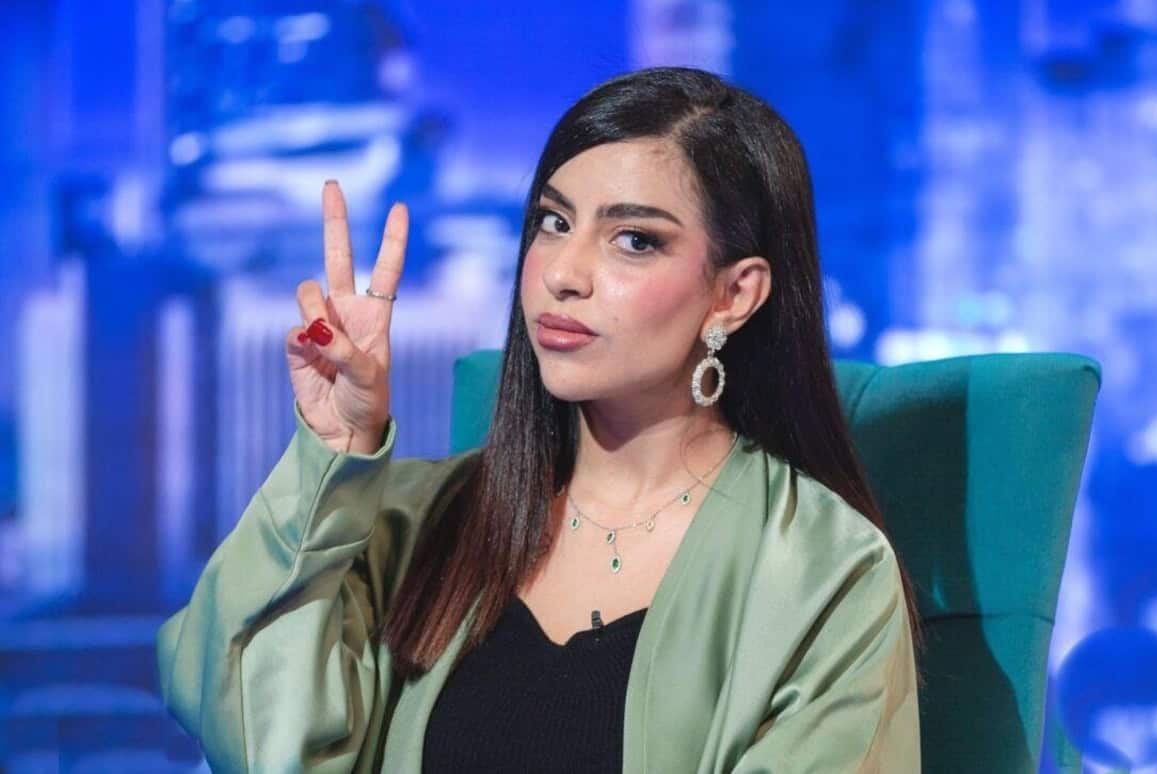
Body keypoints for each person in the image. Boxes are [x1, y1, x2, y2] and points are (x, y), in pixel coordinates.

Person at [155, 66, 920, 773]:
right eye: (553, 222)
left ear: (734, 294)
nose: (563, 273)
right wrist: (333, 454)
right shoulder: (415, 523)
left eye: (633, 240)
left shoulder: (821, 568)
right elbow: (250, 729)